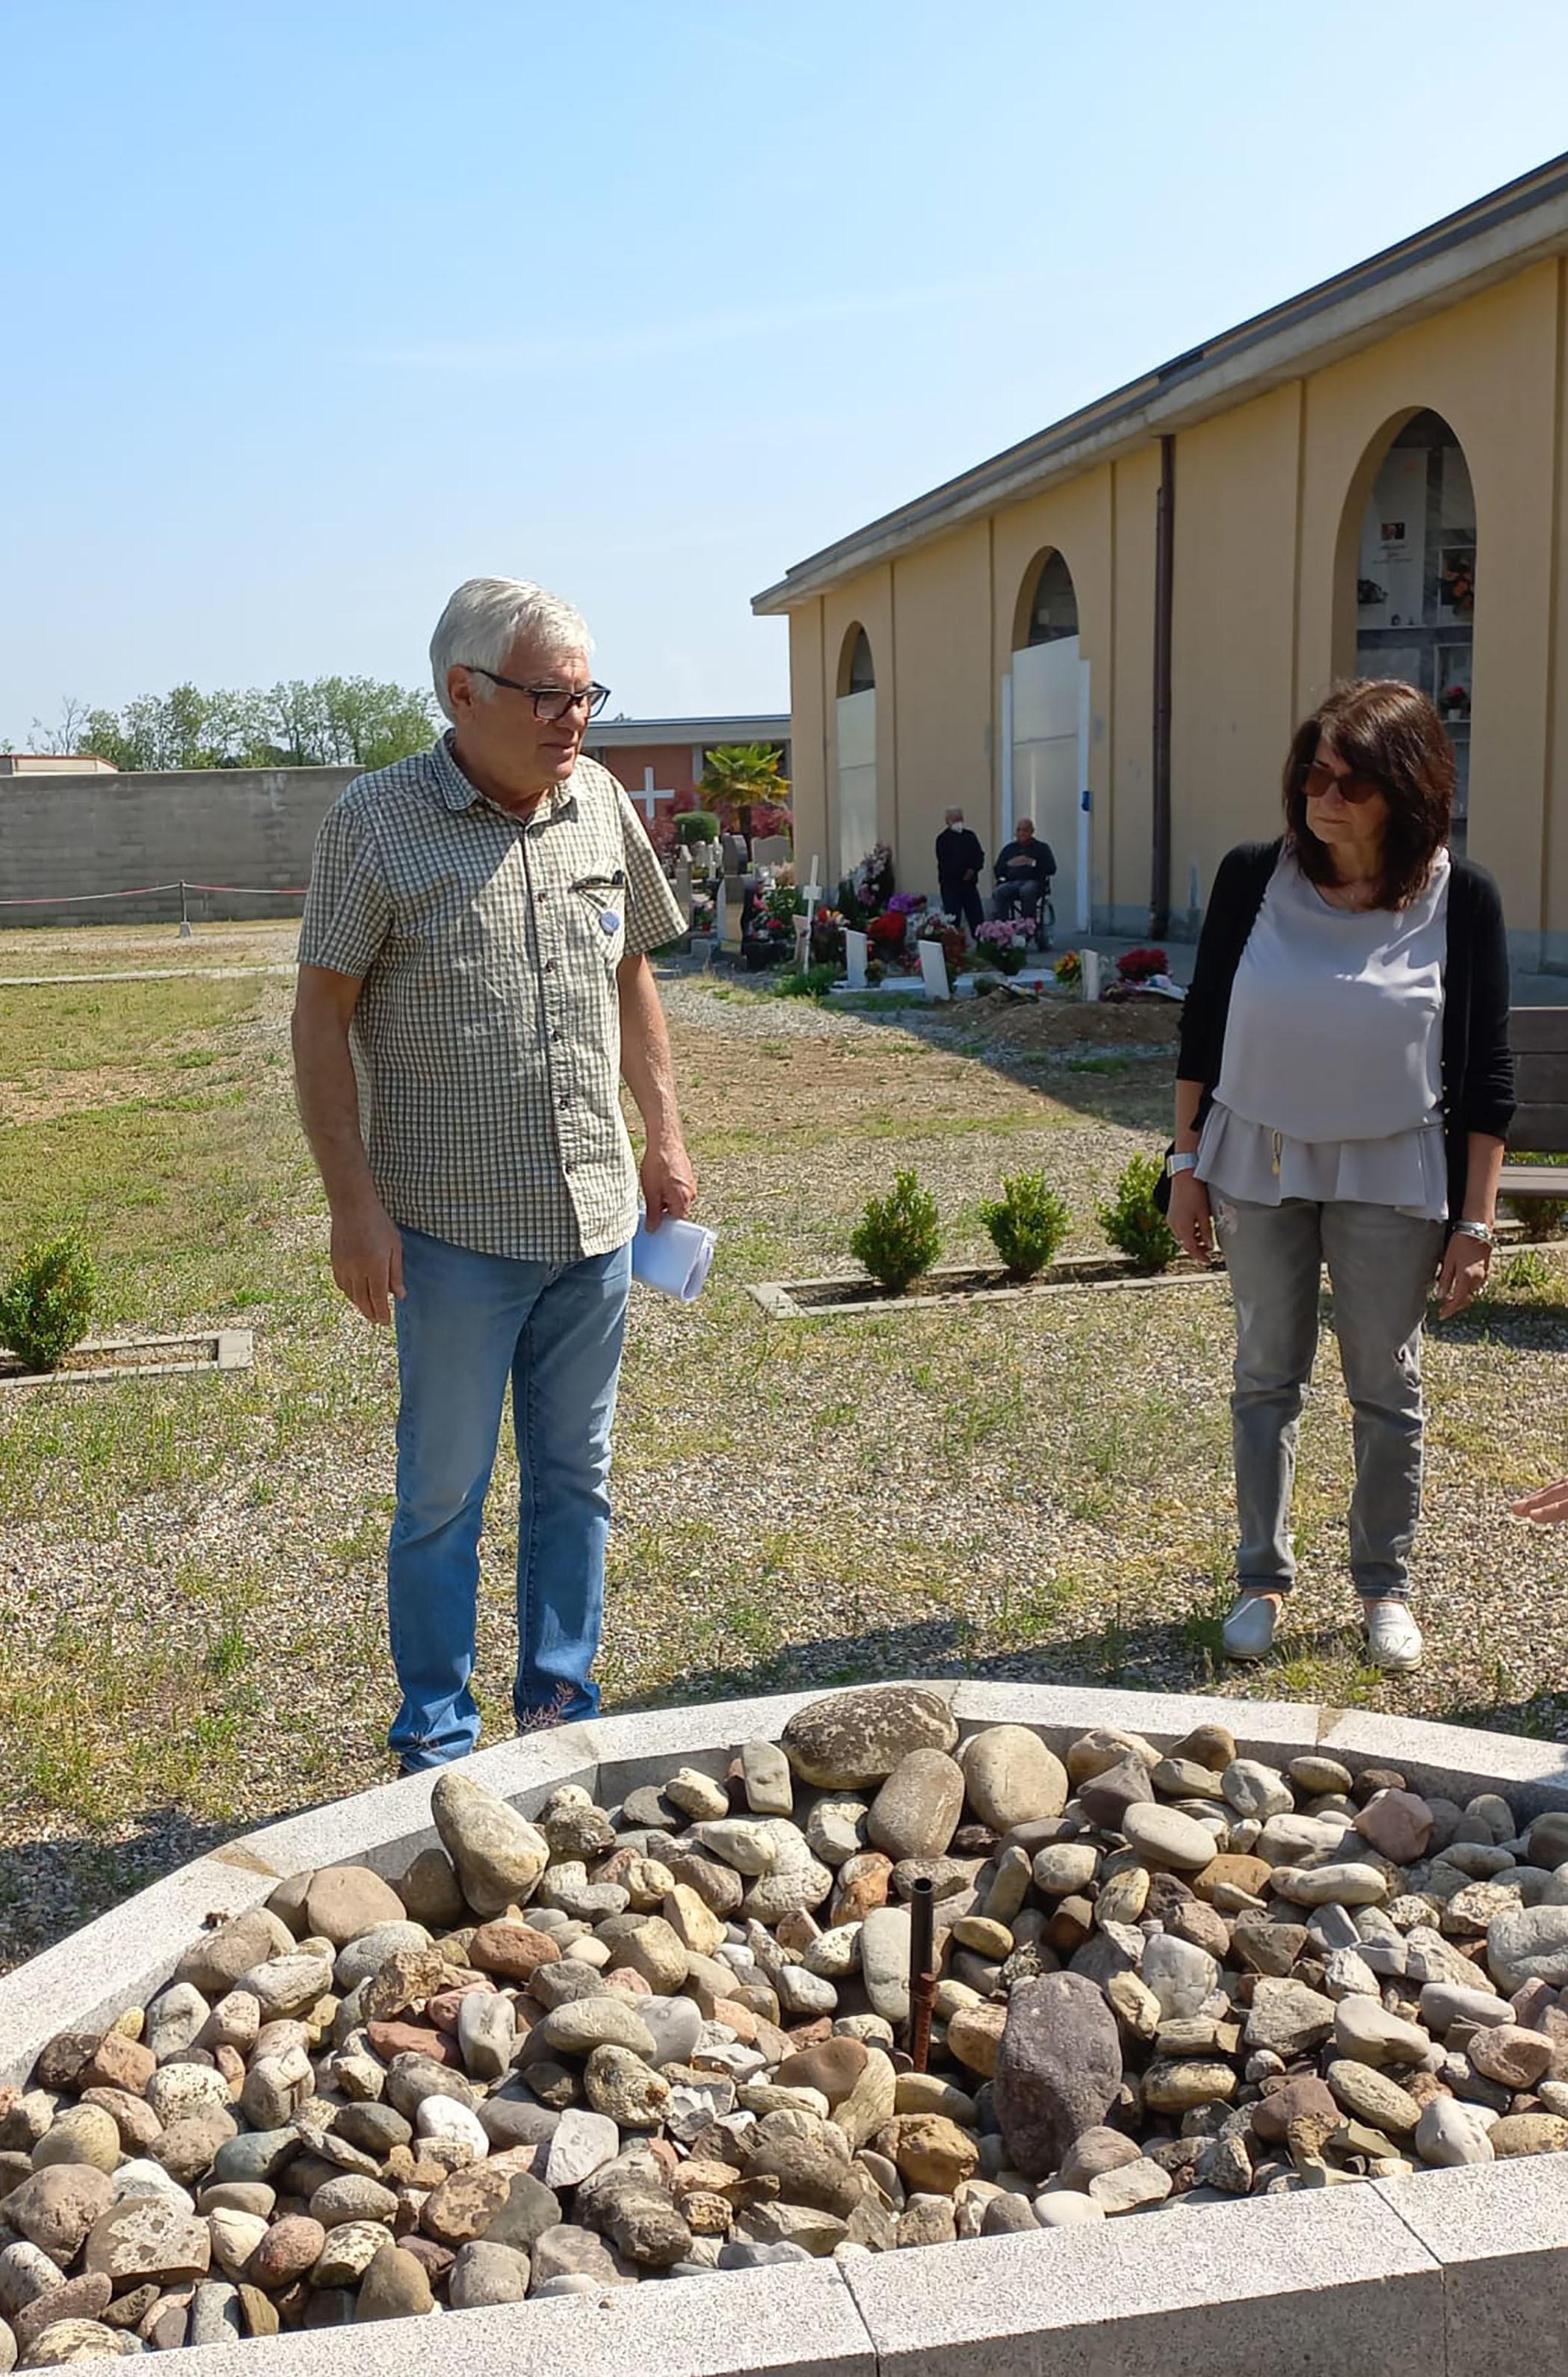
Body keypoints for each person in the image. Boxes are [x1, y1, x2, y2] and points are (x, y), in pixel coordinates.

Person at [291, 576, 694, 1770]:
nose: (576, 718)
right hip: (451, 1233)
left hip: (594, 1217)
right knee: (441, 1498)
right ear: (463, 692)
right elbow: (321, 1019)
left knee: (577, 1478)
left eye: (586, 693)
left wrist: (661, 1132)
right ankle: (436, 1738)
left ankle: (560, 1710)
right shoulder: (375, 822)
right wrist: (351, 1208)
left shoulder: (598, 804)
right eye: (551, 695)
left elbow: (631, 974)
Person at [1167, 678, 1513, 1674]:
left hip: (1394, 1169)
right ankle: (1259, 1581)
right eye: (1313, 772)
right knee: (1263, 1376)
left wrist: (1475, 1223)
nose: (1323, 795)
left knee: (1383, 1387)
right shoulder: (1250, 877)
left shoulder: (1463, 897)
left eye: (1351, 780)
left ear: (1405, 789)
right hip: (1256, 1158)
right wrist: (1184, 1165)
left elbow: (1485, 1078)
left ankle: (1383, 1587)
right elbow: (1201, 1032)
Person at [993, 818, 1057, 925]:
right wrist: (1009, 864)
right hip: (1012, 882)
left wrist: (1033, 863)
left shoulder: (1042, 848)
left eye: (1025, 830)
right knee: (999, 892)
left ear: (1032, 832)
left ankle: (1027, 925)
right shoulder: (1009, 849)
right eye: (1019, 830)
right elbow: (997, 870)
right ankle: (1003, 926)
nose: (1021, 833)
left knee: (1027, 890)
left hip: (1034, 882)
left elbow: (1051, 869)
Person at [935, 807, 985, 934]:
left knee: (977, 919)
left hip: (969, 885)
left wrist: (973, 869)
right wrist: (962, 872)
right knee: (953, 920)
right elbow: (945, 862)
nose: (958, 822)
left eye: (960, 819)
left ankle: (981, 944)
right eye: (955, 819)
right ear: (948, 821)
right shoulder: (943, 839)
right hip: (951, 886)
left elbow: (979, 855)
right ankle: (955, 947)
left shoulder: (970, 836)